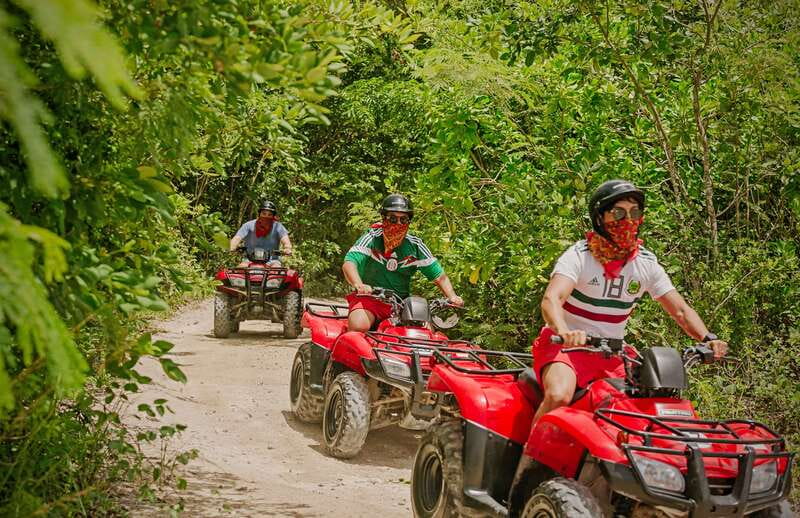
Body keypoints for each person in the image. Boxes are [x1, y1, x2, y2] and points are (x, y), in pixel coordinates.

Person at [534, 179, 728, 422]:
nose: (628, 220)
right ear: (600, 218)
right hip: (565, 347)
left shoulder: (645, 262)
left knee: (651, 402)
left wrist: (708, 339)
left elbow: (679, 310)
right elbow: (552, 299)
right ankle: (529, 459)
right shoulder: (580, 255)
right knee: (559, 395)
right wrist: (564, 332)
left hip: (613, 353)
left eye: (634, 212)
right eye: (618, 213)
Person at [342, 194, 463, 332]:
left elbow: (439, 275)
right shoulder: (371, 238)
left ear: (409, 221)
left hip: (401, 305)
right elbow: (350, 262)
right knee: (359, 326)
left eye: (403, 219)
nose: (398, 224)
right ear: (384, 218)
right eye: (393, 218)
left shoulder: (415, 245)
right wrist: (359, 284)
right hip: (369, 300)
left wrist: (452, 297)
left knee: (426, 332)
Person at [229, 200, 293, 265]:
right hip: (249, 260)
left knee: (277, 271)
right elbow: (237, 238)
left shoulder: (278, 226)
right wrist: (232, 246)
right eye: (264, 214)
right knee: (241, 269)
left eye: (269, 215)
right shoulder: (248, 225)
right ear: (259, 214)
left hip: (272, 261)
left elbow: (286, 240)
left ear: (273, 216)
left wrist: (287, 248)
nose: (266, 216)